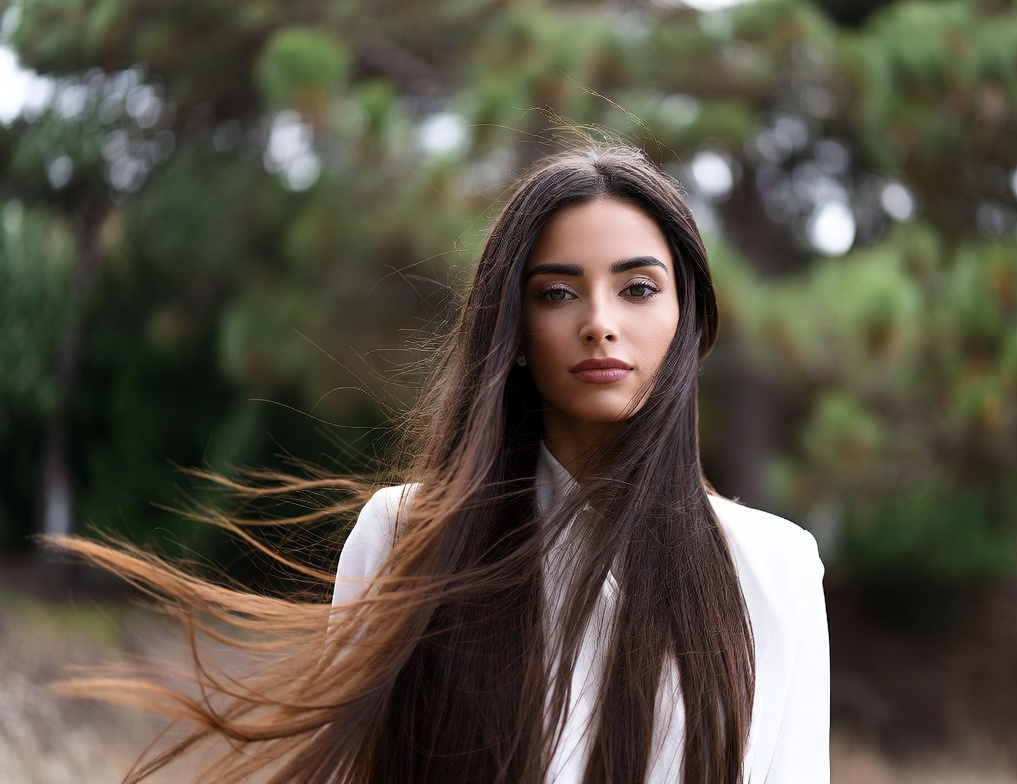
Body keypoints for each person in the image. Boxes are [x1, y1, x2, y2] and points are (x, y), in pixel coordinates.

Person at [63, 144, 829, 783]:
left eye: (637, 288)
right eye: (558, 293)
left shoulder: (775, 566)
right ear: (515, 329)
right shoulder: (406, 535)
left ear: (685, 315)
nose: (600, 323)